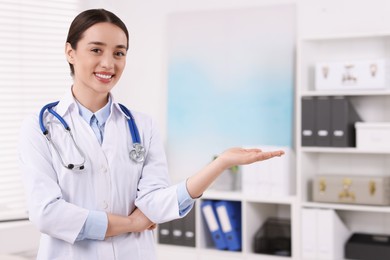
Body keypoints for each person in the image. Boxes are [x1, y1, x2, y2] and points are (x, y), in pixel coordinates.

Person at [18, 9, 284, 260]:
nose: (108, 63)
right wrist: (131, 223)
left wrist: (220, 164)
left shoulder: (142, 127)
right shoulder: (40, 128)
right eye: (96, 50)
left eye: (119, 53)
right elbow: (47, 213)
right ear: (70, 52)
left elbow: (154, 203)